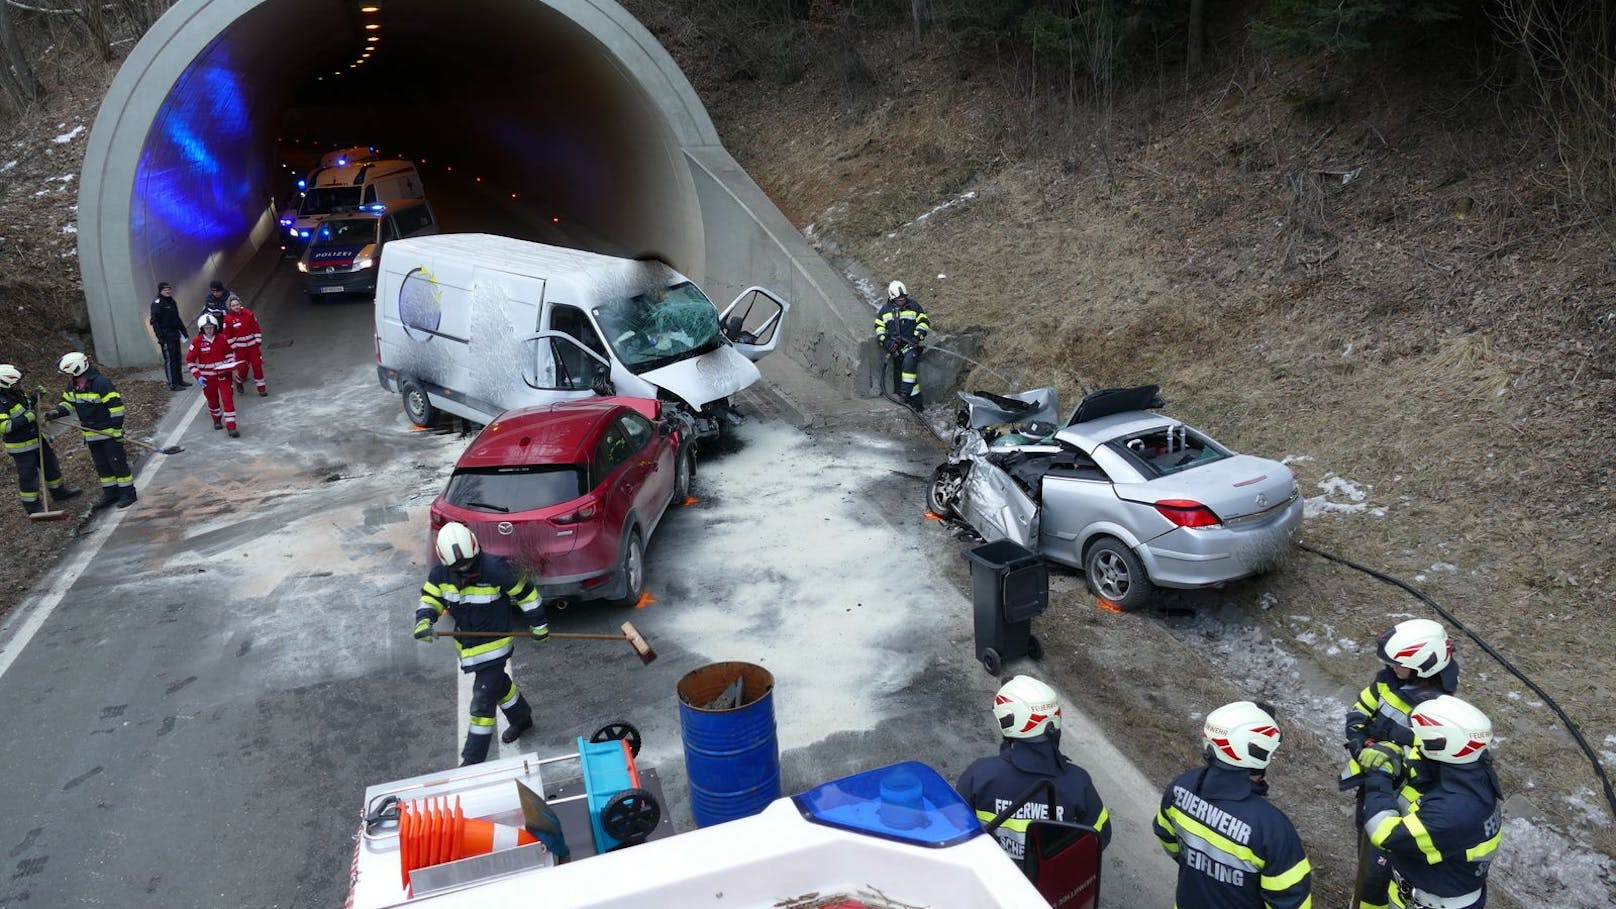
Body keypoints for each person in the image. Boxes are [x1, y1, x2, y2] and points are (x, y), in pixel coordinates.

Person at [1342, 619, 1460, 909]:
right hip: (1372, 786)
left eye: (1398, 663)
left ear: (1424, 665)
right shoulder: (1387, 681)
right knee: (1365, 852)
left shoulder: (1438, 712)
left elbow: (1427, 766)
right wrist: (1360, 741)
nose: (1392, 667)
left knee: (1377, 874)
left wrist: (1394, 754)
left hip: (1401, 804)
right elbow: (1360, 711)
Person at [1153, 700, 1313, 909]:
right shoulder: (1272, 828)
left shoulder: (1180, 787)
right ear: (1259, 752)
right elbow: (1293, 903)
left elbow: (1166, 836)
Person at [414, 522, 548, 766]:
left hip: (496, 647)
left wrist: (538, 625)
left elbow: (526, 594)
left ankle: (472, 762)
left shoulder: (496, 569)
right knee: (499, 686)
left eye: (468, 563)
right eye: (458, 567)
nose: (465, 569)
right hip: (468, 647)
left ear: (476, 549)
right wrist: (423, 622)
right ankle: (522, 718)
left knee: (483, 702)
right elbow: (430, 599)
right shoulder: (440, 575)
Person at [1358, 695, 1502, 909]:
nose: (1418, 741)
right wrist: (1394, 748)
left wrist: (1380, 775)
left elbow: (1384, 832)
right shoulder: (1471, 766)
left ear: (1440, 744)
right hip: (1425, 891)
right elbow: (1423, 756)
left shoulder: (1453, 812)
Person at [954, 675, 1111, 863]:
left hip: (992, 881)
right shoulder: (1078, 781)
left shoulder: (979, 774)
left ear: (1008, 722)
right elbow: (1101, 835)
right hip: (1046, 888)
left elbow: (954, 826)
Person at [47, 351, 135, 509]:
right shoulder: (73, 386)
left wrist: (116, 429)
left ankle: (128, 493)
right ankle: (111, 494)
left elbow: (116, 408)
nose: (65, 377)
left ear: (76, 369)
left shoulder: (101, 383)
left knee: (117, 464)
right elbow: (68, 404)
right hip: (91, 435)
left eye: (67, 373)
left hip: (108, 433)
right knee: (102, 466)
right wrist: (56, 412)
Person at [0, 364, 81, 514]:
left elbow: (25, 407)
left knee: (51, 466)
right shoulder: (1, 402)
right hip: (21, 447)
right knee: (29, 476)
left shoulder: (15, 393)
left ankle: (59, 492)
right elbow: (4, 426)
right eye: (17, 382)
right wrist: (27, 418)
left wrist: (34, 397)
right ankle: (32, 507)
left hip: (36, 438)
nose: (20, 384)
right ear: (6, 384)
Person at [873, 280, 930, 410]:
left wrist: (917, 337)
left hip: (912, 346)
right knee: (906, 376)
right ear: (892, 298)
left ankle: (904, 396)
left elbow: (924, 322)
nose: (902, 301)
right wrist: (886, 342)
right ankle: (917, 403)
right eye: (899, 300)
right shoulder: (885, 311)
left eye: (904, 298)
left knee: (909, 364)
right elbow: (879, 327)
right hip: (896, 349)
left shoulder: (914, 306)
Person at [186, 313, 239, 437]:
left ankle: (231, 427)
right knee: (213, 400)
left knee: (227, 399)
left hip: (223, 375)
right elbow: (190, 360)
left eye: (211, 327)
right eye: (206, 328)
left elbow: (229, 353)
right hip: (207, 378)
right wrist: (198, 376)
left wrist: (231, 365)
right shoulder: (197, 342)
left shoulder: (222, 338)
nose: (209, 330)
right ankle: (216, 419)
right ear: (202, 329)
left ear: (215, 327)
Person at [148, 282, 191, 391]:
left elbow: (177, 317)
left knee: (177, 358)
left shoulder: (172, 301)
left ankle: (179, 380)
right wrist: (160, 338)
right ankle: (173, 383)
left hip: (175, 334)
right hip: (166, 336)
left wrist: (183, 330)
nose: (168, 291)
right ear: (160, 291)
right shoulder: (157, 303)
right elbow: (155, 322)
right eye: (165, 290)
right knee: (170, 359)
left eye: (169, 289)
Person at [223, 295, 268, 396]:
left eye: (237, 304)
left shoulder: (248, 314)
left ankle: (261, 388)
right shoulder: (228, 319)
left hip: (253, 346)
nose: (236, 307)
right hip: (240, 349)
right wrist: (234, 347)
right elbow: (227, 335)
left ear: (240, 304)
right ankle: (239, 380)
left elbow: (256, 327)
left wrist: (257, 341)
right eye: (233, 305)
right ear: (230, 307)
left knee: (257, 366)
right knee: (242, 368)